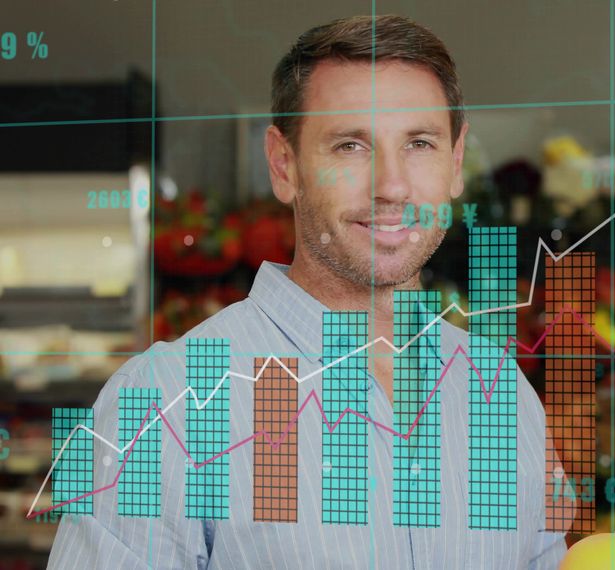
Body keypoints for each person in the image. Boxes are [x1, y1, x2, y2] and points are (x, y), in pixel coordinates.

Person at [48, 14, 567, 569]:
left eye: (419, 142)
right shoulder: (162, 404)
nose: (392, 186)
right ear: (284, 165)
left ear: (456, 162)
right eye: (349, 145)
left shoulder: (503, 394)